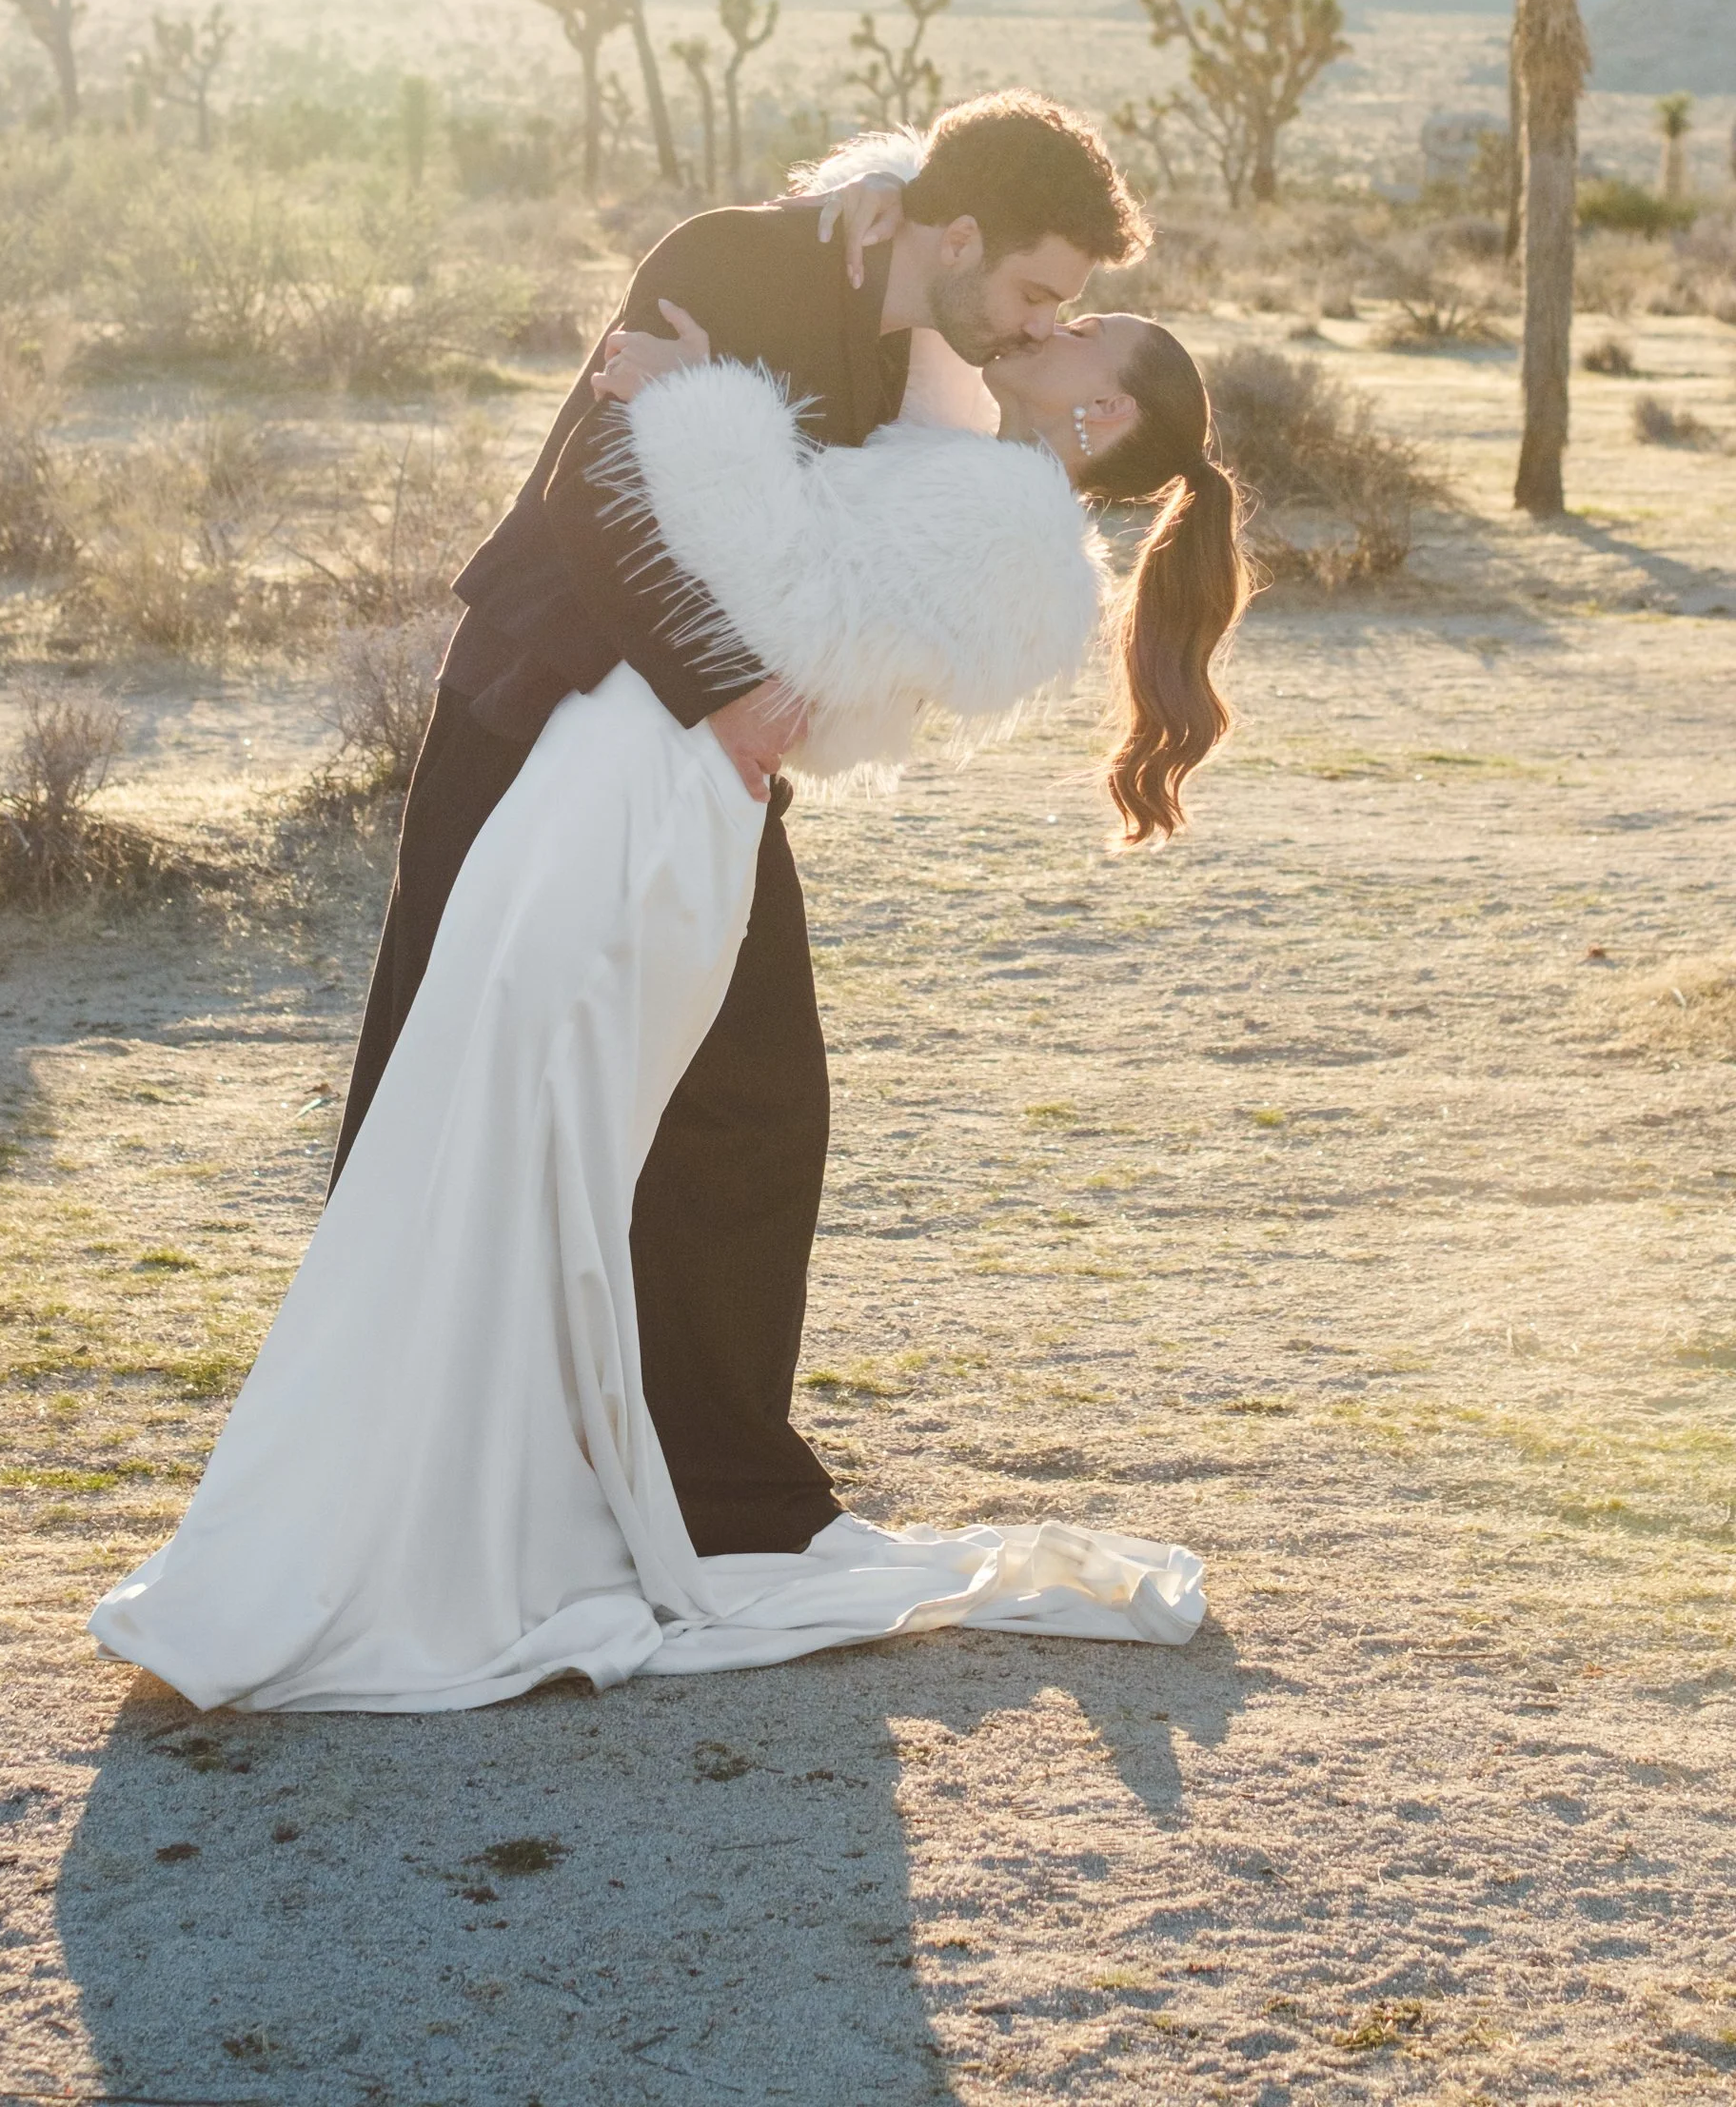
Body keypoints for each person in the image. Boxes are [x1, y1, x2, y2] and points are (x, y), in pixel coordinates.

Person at [88, 292, 1249, 1713]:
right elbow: (895, 321)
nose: (1054, 318)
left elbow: (782, 586)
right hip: (632, 771)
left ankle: (467, 1527)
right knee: (508, 1123)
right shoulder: (970, 467)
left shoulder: (1014, 532)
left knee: (543, 1134)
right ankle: (442, 1495)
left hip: (659, 804)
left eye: (1088, 324)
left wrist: (698, 398)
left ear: (1107, 412)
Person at [326, 94, 1151, 1565]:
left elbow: (832, 537)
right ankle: (395, 1457)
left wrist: (756, 708)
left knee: (756, 1094)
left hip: (703, 755)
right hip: (544, 702)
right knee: (445, 1055)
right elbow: (598, 487)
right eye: (1032, 292)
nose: (1036, 329)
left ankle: (718, 1491)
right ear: (954, 235)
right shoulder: (733, 255)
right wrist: (734, 695)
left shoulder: (919, 352)